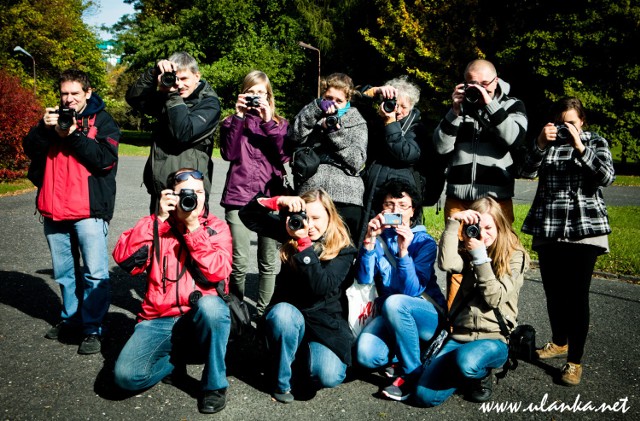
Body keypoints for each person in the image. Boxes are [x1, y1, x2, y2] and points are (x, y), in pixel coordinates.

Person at [112, 169, 233, 414]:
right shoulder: (155, 224)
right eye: (186, 193)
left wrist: (193, 229)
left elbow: (218, 272)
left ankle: (214, 386)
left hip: (199, 317)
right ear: (170, 196)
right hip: (159, 317)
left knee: (213, 308)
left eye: (199, 192)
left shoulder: (217, 228)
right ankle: (171, 363)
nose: (194, 198)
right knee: (126, 377)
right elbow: (127, 262)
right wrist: (156, 220)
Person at [23, 69, 120, 355]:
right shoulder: (51, 119)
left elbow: (104, 160)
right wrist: (43, 128)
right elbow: (30, 149)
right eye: (64, 93)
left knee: (95, 273)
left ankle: (93, 328)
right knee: (65, 273)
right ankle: (70, 319)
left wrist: (74, 134)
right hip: (53, 209)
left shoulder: (102, 121)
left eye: (75, 94)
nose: (69, 99)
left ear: (87, 93)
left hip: (89, 210)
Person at [521, 97, 615, 386]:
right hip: (549, 227)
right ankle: (559, 341)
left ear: (582, 122)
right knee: (553, 292)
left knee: (576, 296)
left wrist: (580, 147)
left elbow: (607, 177)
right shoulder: (546, 143)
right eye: (561, 124)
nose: (566, 129)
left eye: (572, 123)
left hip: (584, 228)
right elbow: (526, 171)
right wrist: (538, 143)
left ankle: (574, 361)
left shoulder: (596, 142)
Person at [239, 189, 357, 404]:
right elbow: (248, 216)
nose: (309, 225)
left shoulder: (344, 249)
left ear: (330, 217)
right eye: (305, 217)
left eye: (316, 218)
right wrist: (276, 201)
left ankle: (295, 357)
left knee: (329, 375)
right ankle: (281, 381)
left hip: (324, 323)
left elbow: (320, 286)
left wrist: (304, 246)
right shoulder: (291, 231)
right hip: (289, 315)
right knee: (283, 314)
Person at [414, 197, 528, 407]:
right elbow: (446, 263)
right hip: (460, 335)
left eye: (489, 227)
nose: (483, 235)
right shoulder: (467, 251)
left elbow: (495, 297)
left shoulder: (515, 256)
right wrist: (453, 222)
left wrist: (480, 257)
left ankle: (479, 373)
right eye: (477, 228)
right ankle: (463, 370)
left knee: (467, 362)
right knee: (424, 396)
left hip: (495, 339)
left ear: (500, 226)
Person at [432, 59, 528, 310]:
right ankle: (455, 326)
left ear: (496, 81)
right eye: (473, 84)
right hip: (459, 198)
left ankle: (497, 322)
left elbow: (515, 138)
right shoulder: (459, 106)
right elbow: (440, 147)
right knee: (456, 263)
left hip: (496, 199)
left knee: (499, 259)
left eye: (485, 84)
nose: (479, 89)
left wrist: (490, 104)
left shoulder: (512, 104)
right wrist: (453, 111)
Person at [355, 179, 446, 402]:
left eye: (403, 206)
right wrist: (368, 243)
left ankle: (410, 373)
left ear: (413, 210)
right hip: (392, 315)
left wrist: (404, 252)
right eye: (389, 205)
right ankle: (405, 351)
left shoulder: (424, 242)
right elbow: (364, 279)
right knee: (366, 355)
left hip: (425, 314)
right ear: (381, 209)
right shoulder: (378, 240)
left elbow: (412, 291)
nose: (396, 211)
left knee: (395, 302)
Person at [220, 70, 290, 316]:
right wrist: (238, 117)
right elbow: (228, 154)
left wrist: (269, 122)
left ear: (268, 95)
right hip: (238, 197)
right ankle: (237, 313)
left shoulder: (280, 124)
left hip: (270, 199)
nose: (256, 97)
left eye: (261, 92)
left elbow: (284, 156)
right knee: (238, 263)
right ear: (243, 94)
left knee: (268, 264)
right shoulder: (231, 121)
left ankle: (262, 314)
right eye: (251, 92)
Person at [126, 51, 221, 212]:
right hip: (161, 191)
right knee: (159, 236)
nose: (180, 84)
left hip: (190, 192)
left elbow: (183, 133)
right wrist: (153, 72)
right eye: (176, 78)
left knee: (191, 237)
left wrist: (172, 95)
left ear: (197, 76)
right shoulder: (168, 97)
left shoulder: (209, 104)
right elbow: (134, 99)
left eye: (184, 79)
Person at [289, 73, 368, 244]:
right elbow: (294, 136)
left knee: (342, 249)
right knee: (305, 245)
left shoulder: (358, 122)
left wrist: (335, 132)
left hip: (346, 196)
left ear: (348, 101)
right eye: (328, 98)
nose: (333, 104)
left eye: (339, 101)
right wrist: (316, 109)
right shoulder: (311, 113)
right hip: (311, 190)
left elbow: (357, 161)